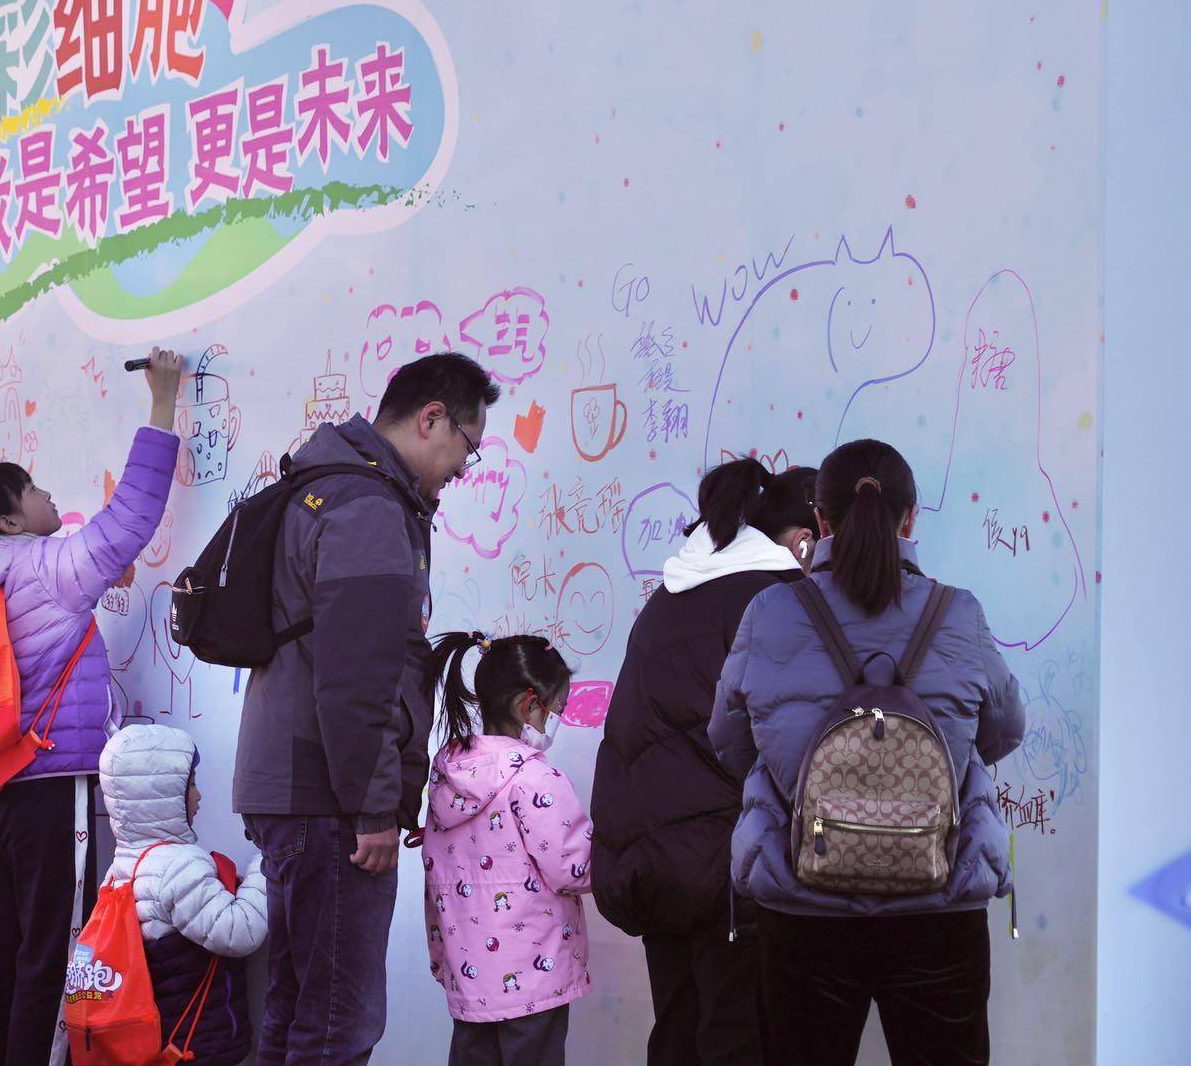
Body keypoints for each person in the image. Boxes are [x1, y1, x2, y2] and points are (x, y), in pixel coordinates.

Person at [710, 440, 1026, 1066]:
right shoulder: (958, 613)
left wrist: (796, 779)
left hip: (803, 899)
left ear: (820, 520)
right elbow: (1003, 731)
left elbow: (728, 738)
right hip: (940, 900)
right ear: (910, 519)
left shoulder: (770, 612)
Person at [235, 350, 500, 1066]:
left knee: (295, 1010)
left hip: (292, 786)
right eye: (468, 447)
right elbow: (357, 679)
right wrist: (374, 808)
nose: (462, 468)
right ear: (432, 419)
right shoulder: (370, 509)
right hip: (331, 801)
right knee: (338, 1027)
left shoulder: (323, 487)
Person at [0, 349, 184, 1066]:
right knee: (53, 954)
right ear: (10, 521)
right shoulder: (43, 565)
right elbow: (130, 517)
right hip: (48, 786)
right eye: (34, 490)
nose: (49, 497)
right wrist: (163, 402)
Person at [591, 461, 818, 1065]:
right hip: (724, 863)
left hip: (647, 856)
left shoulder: (671, 593)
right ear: (805, 539)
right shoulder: (777, 599)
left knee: (678, 1029)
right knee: (737, 1036)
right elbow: (788, 739)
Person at [421, 631, 593, 1066]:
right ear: (528, 704)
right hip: (534, 981)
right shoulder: (535, 779)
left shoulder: (446, 780)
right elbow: (574, 869)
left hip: (470, 983)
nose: (557, 718)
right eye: (558, 707)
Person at [95, 725, 267, 1066]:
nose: (198, 795)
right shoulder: (178, 864)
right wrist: (265, 867)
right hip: (196, 1041)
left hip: (155, 1038)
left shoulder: (119, 866)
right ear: (161, 794)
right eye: (190, 784)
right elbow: (238, 932)